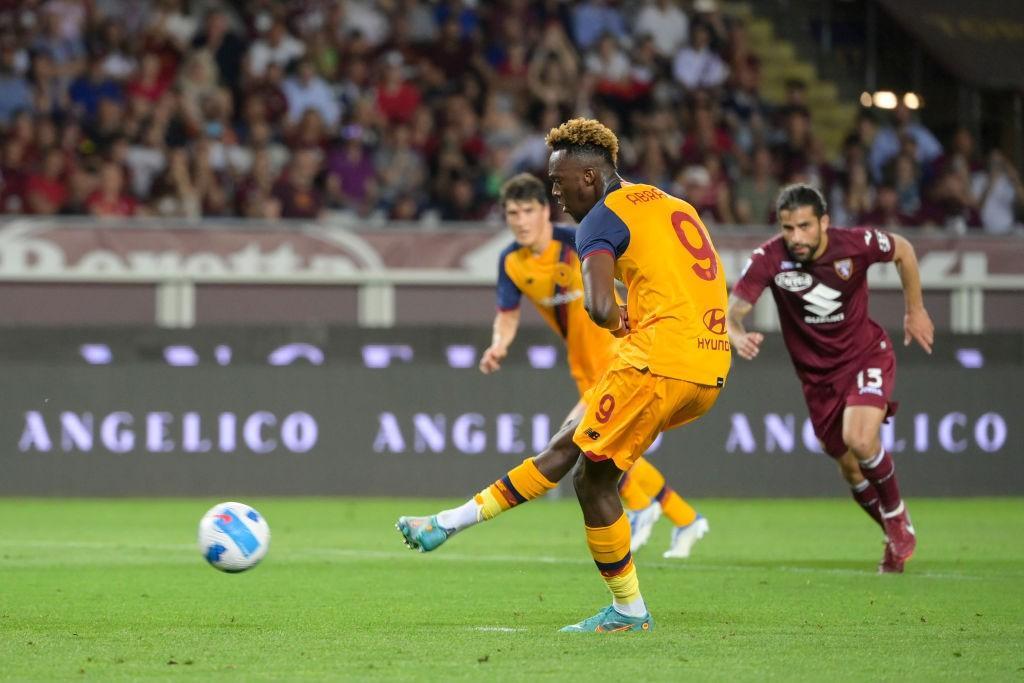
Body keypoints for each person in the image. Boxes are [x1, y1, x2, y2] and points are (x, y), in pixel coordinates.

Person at [399, 118, 731, 632]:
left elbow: (598, 308)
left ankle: (625, 610)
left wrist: (623, 319)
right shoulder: (671, 203)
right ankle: (446, 523)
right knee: (589, 462)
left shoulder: (598, 220)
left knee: (579, 469)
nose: (556, 195)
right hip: (709, 366)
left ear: (592, 179)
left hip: (655, 360)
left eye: (560, 183)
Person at [726, 184, 933, 573]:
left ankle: (899, 516)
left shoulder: (856, 243)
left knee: (860, 438)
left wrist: (915, 310)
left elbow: (902, 249)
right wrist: (736, 333)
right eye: (788, 228)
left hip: (865, 355)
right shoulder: (770, 258)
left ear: (823, 222)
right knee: (851, 469)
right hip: (818, 379)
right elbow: (733, 311)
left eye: (804, 226)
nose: (796, 237)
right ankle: (894, 535)